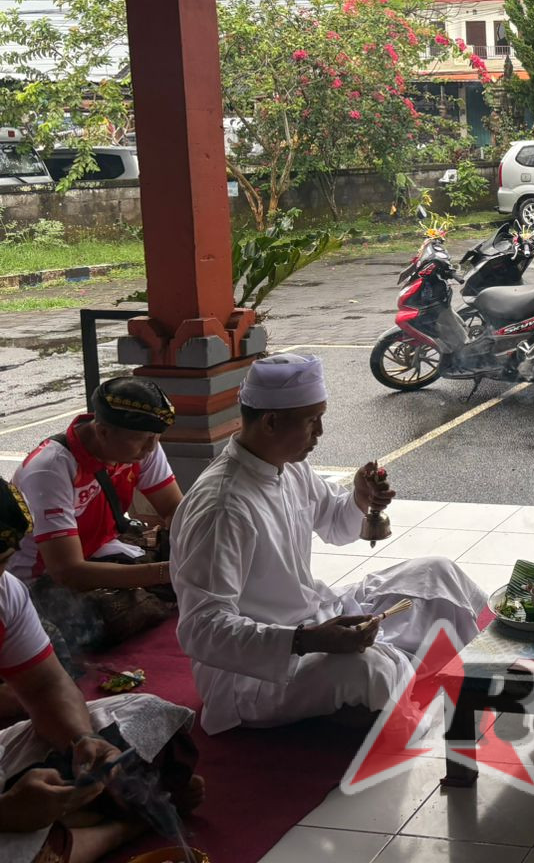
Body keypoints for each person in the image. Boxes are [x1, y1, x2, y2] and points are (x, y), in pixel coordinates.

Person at [169, 353, 486, 734]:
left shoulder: (289, 465)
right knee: (369, 669)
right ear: (270, 421)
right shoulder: (223, 507)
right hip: (251, 674)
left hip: (314, 617)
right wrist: (305, 640)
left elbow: (336, 525)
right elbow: (201, 630)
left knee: (437, 573)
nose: (320, 432)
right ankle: (403, 692)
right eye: (311, 421)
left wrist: (359, 498)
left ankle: (482, 673)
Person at [0, 481, 202, 863]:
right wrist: (8, 811)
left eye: (2, 562)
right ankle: (122, 826)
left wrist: (80, 742)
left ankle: (63, 824)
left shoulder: (5, 590)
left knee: (149, 713)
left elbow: (44, 685)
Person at [9, 379, 183, 653]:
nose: (152, 448)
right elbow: (68, 571)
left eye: (156, 438)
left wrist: (189, 553)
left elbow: (177, 511)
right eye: (144, 440)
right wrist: (165, 573)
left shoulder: (141, 444)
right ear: (102, 432)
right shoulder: (50, 470)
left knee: (194, 557)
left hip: (104, 552)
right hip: (43, 582)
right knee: (103, 615)